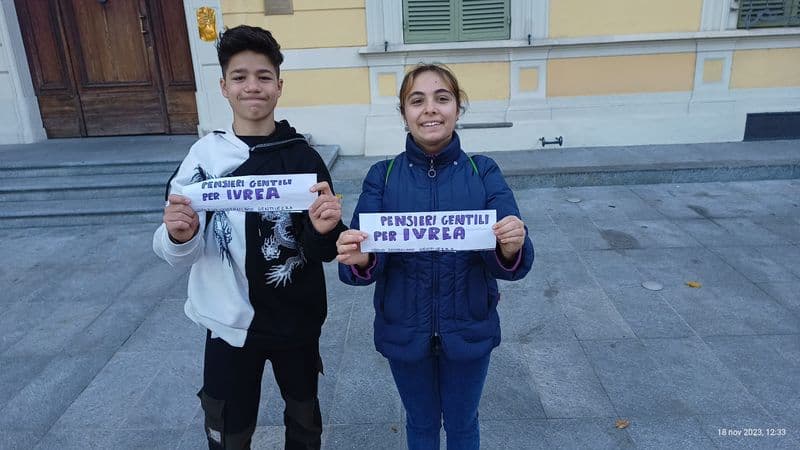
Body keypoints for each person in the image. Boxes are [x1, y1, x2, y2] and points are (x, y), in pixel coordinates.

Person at [152, 25, 345, 450]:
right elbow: (174, 250)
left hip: (296, 320)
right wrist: (179, 236)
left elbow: (321, 250)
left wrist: (327, 229)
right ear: (223, 87)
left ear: (279, 86)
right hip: (226, 324)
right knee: (228, 430)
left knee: (304, 419)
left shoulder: (304, 158)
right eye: (240, 77)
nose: (252, 87)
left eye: (263, 76)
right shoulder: (203, 159)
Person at [336, 63, 534, 450]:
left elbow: (513, 254)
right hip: (405, 330)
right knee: (422, 426)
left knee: (462, 425)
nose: (430, 109)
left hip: (469, 327)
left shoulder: (484, 171)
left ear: (458, 107)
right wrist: (360, 258)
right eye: (417, 100)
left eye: (442, 99)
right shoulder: (383, 175)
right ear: (403, 113)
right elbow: (364, 254)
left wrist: (510, 246)